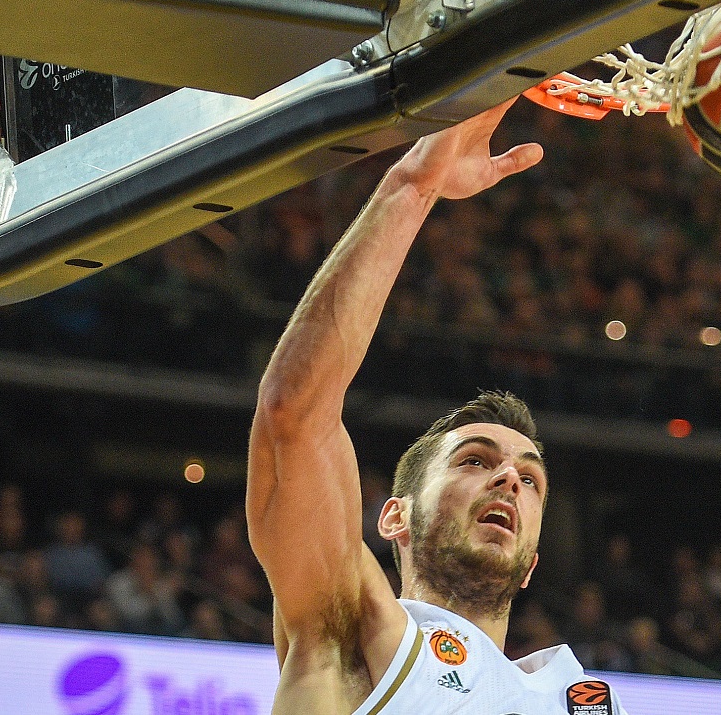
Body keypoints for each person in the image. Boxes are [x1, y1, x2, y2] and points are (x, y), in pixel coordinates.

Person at [248, 99, 627, 714]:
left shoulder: (578, 697)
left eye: (530, 480)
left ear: (531, 564)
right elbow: (295, 413)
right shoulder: (348, 635)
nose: (509, 479)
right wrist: (412, 185)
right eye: (474, 460)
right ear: (395, 517)